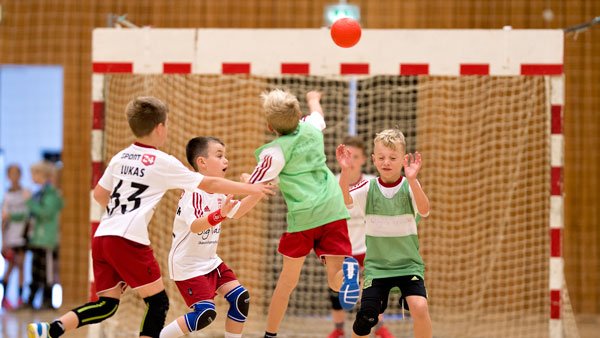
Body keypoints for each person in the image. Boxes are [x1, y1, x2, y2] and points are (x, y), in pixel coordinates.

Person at [27, 96, 275, 338]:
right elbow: (208, 184)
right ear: (160, 128)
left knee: (106, 305)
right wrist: (252, 187)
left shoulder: (120, 156)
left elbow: (100, 195)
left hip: (103, 236)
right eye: (167, 124)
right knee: (158, 304)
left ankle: (52, 329)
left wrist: (122, 215)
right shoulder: (163, 162)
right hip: (135, 243)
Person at [245, 89, 360, 338]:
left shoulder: (273, 153)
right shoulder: (311, 126)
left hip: (304, 216)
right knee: (334, 280)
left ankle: (270, 334)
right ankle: (348, 274)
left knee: (287, 282)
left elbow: (253, 185)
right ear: (299, 115)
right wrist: (313, 100)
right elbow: (318, 114)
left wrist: (245, 180)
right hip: (333, 207)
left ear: (268, 126)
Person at [160, 136, 264, 338]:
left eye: (225, 156)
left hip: (209, 261)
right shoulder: (194, 191)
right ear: (202, 162)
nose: (226, 160)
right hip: (188, 265)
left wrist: (258, 191)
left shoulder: (220, 190)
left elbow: (238, 211)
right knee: (205, 315)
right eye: (220, 155)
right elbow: (196, 226)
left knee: (240, 299)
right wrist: (220, 214)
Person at [336, 129, 432, 338]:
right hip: (377, 268)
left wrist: (413, 179)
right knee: (366, 319)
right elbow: (345, 200)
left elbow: (424, 210)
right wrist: (344, 170)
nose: (386, 162)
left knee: (420, 307)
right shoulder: (368, 188)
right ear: (373, 159)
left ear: (404, 160)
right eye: (381, 157)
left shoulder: (410, 187)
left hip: (407, 265)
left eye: (392, 158)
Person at [327, 136, 394, 338]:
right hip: (342, 247)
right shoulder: (333, 182)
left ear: (365, 159)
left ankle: (379, 328)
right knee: (336, 288)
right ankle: (338, 330)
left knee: (374, 290)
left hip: (368, 247)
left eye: (356, 156)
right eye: (348, 155)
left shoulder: (372, 183)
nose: (352, 160)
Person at [25, 161, 64, 310]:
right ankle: (31, 301)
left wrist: (28, 201)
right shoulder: (39, 193)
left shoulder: (51, 194)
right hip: (37, 239)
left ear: (45, 176)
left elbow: (45, 213)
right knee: (35, 272)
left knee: (47, 273)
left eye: (35, 174)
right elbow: (31, 214)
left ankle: (47, 301)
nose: (33, 177)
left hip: (47, 240)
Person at [1, 164, 30, 310]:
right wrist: (4, 241)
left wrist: (13, 216)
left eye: (16, 173)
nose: (14, 176)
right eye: (11, 173)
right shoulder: (7, 196)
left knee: (21, 267)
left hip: (22, 236)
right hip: (11, 238)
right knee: (11, 267)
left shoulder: (25, 193)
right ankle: (4, 298)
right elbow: (4, 219)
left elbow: (27, 215)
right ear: (8, 176)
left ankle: (20, 298)